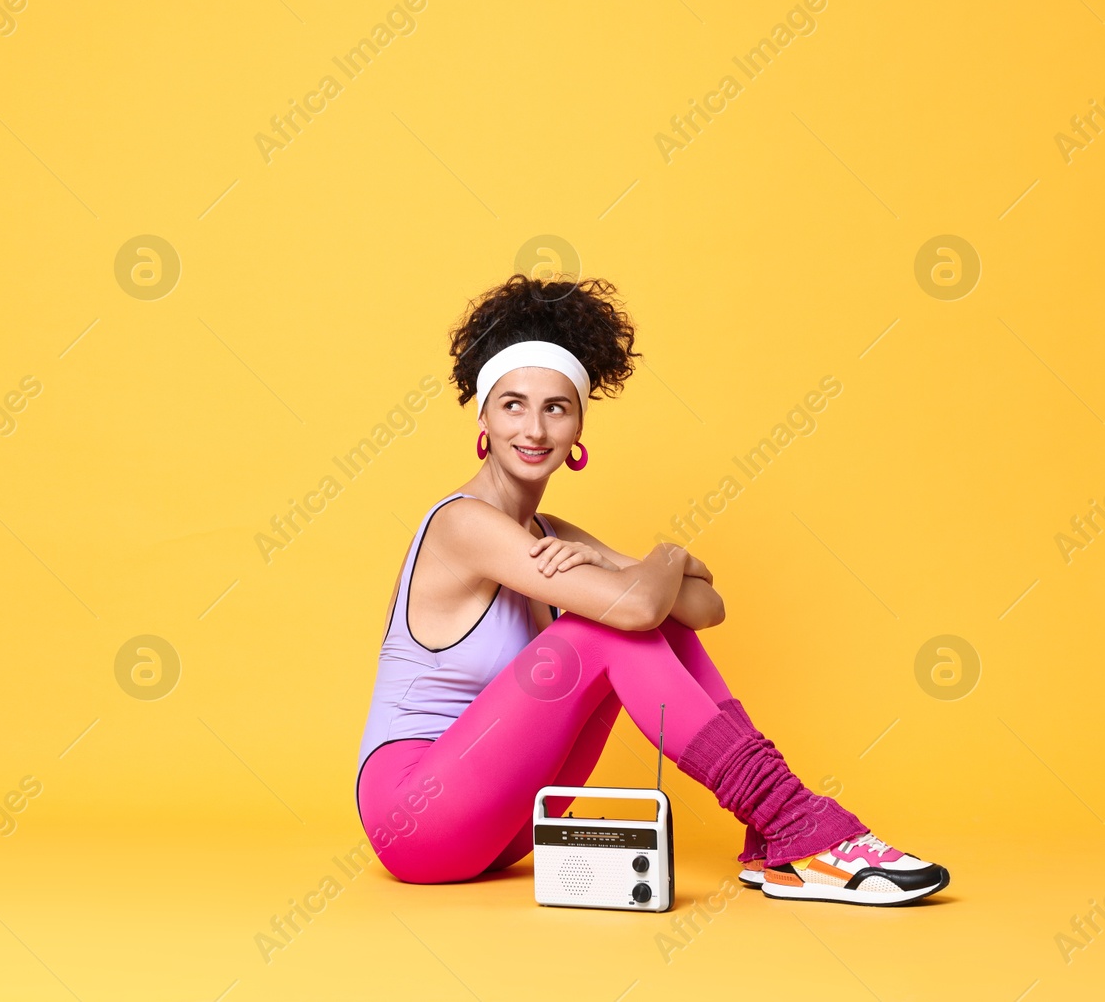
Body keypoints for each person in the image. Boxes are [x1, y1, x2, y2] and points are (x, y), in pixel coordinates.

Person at [354, 273, 949, 906]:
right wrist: (664, 555)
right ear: (484, 420)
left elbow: (702, 609)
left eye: (555, 407)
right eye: (513, 405)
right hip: (414, 816)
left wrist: (632, 571)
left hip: (505, 827)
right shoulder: (463, 523)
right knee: (603, 625)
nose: (534, 428)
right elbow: (642, 603)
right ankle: (795, 821)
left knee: (630, 620)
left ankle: (781, 837)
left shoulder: (552, 534)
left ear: (578, 427)